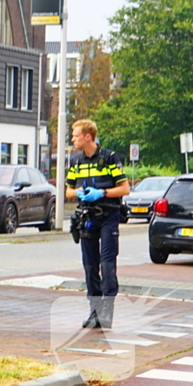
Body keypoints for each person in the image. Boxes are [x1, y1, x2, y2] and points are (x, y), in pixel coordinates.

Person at [65, 119, 129, 329]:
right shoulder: (75, 161)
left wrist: (101, 193)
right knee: (90, 266)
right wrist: (79, 193)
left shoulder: (109, 158)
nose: (72, 139)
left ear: (88, 136)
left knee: (107, 264)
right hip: (88, 218)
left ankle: (107, 312)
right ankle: (94, 311)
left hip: (109, 216)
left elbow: (124, 189)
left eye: (75, 135)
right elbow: (68, 191)